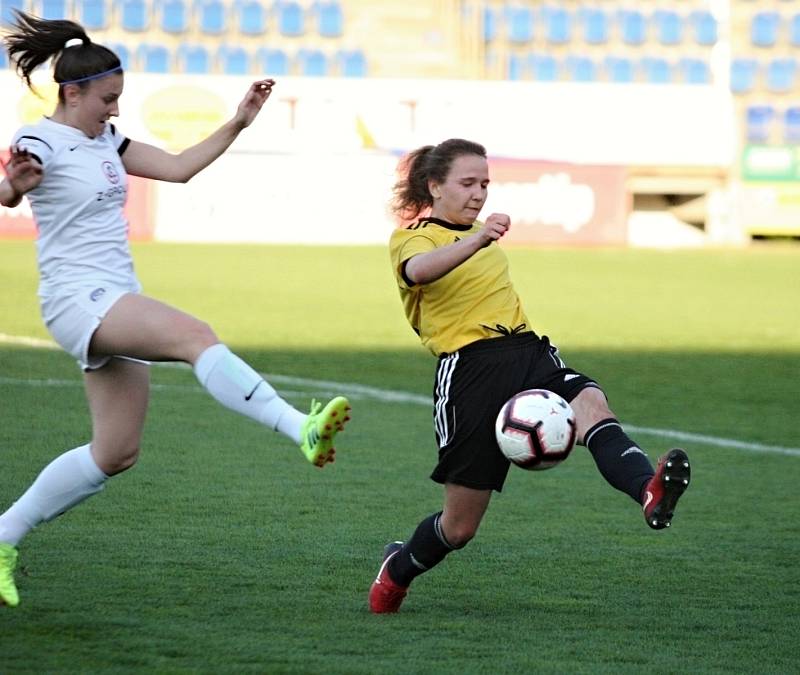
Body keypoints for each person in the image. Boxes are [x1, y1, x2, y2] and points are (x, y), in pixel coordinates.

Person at [0, 12, 351, 608]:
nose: (114, 109)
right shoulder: (39, 140)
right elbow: (9, 188)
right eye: (107, 99)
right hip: (78, 296)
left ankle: (3, 535)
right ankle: (300, 427)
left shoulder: (107, 139)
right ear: (72, 92)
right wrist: (13, 186)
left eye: (119, 98)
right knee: (195, 335)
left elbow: (180, 168)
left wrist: (238, 122)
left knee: (115, 453)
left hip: (113, 294)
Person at [368, 138, 691, 614]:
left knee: (593, 405)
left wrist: (478, 236)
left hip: (526, 349)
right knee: (459, 528)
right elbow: (418, 273)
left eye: (485, 183)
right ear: (435, 186)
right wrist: (476, 239)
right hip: (469, 370)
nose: (479, 193)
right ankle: (397, 571)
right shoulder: (415, 238)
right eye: (467, 183)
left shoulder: (477, 232)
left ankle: (648, 490)